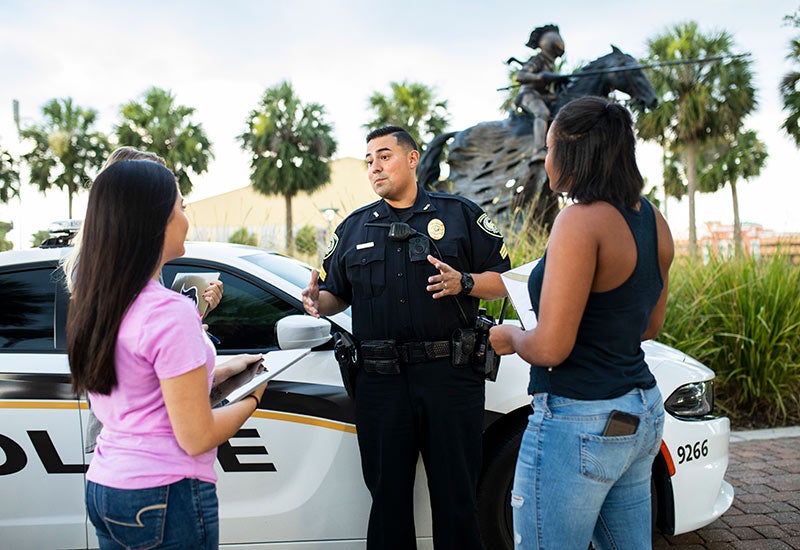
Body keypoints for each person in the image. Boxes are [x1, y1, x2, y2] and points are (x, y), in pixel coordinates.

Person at [302, 126, 510, 549]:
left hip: (449, 379)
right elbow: (335, 296)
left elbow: (506, 281)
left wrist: (465, 283)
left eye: (384, 156)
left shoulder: (459, 215)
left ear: (412, 159)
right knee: (388, 502)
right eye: (369, 161)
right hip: (381, 384)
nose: (374, 167)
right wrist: (315, 301)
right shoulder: (354, 229)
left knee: (456, 499)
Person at [489, 96, 674, 549]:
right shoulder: (652, 219)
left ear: (575, 152)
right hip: (640, 412)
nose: (544, 158)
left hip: (579, 417)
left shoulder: (578, 222)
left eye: (549, 148)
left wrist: (510, 336)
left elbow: (551, 348)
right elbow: (649, 325)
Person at [67, 159, 266, 549]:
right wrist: (255, 395)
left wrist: (225, 371)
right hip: (164, 494)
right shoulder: (169, 312)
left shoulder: (101, 301)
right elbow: (197, 436)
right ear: (154, 219)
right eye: (180, 206)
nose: (186, 218)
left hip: (107, 487)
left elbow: (145, 389)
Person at [63, 146, 224, 454]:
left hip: (131, 443)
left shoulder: (131, 262)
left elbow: (145, 333)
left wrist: (193, 312)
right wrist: (254, 397)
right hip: (135, 441)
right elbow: (133, 332)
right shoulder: (95, 263)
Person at [510, 24, 566, 162]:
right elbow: (520, 75)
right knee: (542, 113)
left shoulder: (550, 63)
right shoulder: (538, 60)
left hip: (543, 95)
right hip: (529, 95)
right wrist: (539, 77)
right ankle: (538, 150)